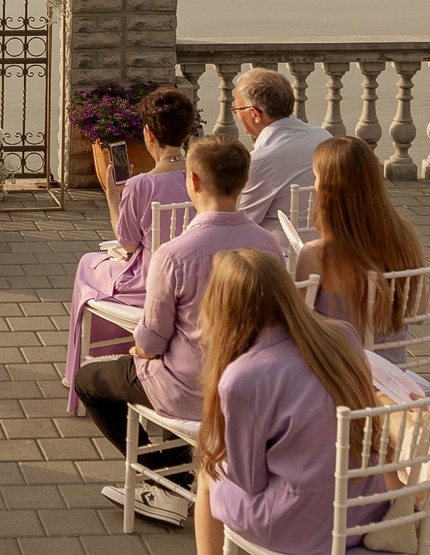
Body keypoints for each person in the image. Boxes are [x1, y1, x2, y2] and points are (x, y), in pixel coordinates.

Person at [183, 250, 390, 555]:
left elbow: (247, 479)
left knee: (209, 474)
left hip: (305, 528)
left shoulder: (241, 378)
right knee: (276, 472)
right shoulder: (340, 336)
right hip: (362, 510)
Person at [71, 136, 276, 523]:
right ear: (245, 181)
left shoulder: (176, 253)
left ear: (193, 182)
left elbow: (150, 342)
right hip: (249, 387)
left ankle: (168, 482)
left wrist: (136, 352)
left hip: (189, 389)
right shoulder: (268, 244)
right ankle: (183, 472)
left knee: (89, 380)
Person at [62, 85, 199, 408]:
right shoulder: (200, 178)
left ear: (148, 133)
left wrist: (114, 197)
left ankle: (79, 369)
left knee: (88, 264)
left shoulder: (141, 184)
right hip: (188, 276)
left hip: (148, 282)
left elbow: (126, 241)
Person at [294, 136, 426, 346]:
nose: (314, 184)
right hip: (392, 371)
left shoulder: (317, 255)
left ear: (328, 187)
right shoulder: (406, 235)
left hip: (336, 372)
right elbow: (417, 312)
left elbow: (297, 322)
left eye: (316, 176)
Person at [233, 68, 332, 236]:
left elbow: (241, 223)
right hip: (330, 244)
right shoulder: (324, 137)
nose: (236, 114)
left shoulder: (260, 162)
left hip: (283, 254)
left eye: (237, 109)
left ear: (255, 114)